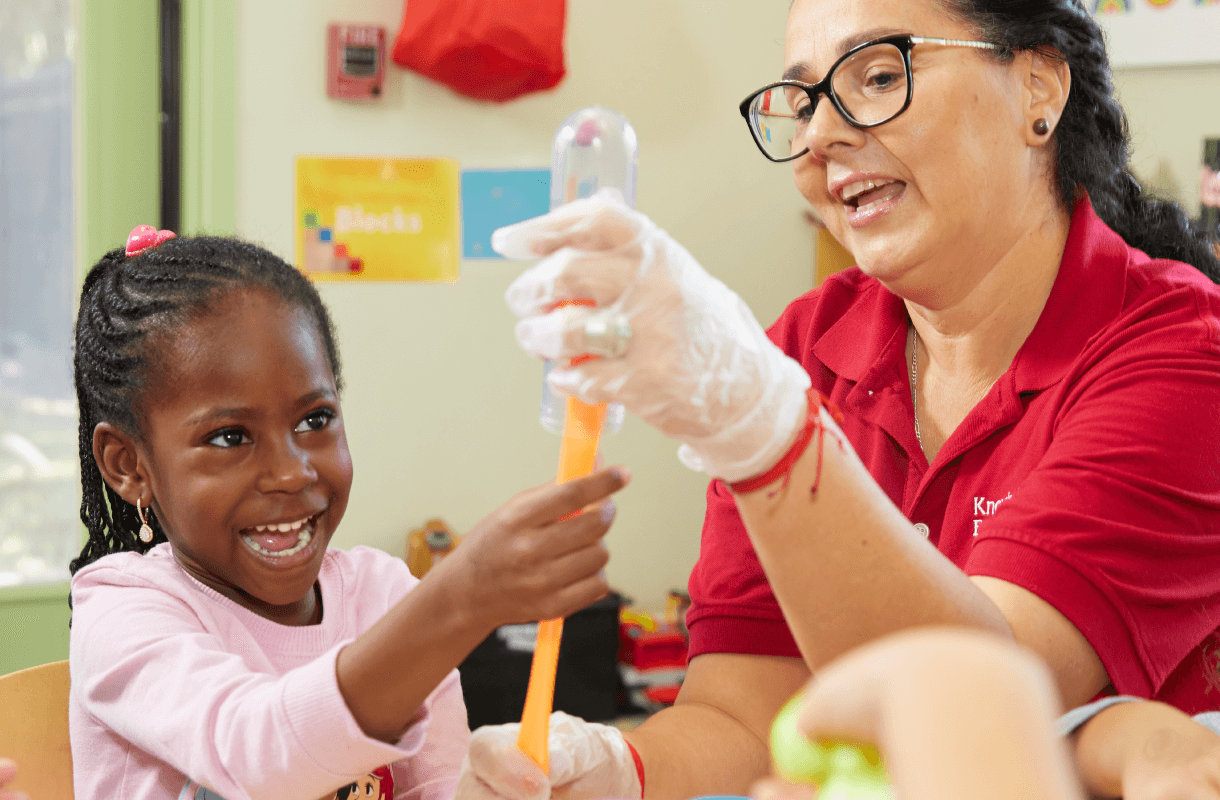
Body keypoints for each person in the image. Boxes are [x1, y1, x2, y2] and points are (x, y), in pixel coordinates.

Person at [454, 1, 1220, 799]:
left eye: (879, 75)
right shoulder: (803, 350)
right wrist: (617, 772)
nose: (818, 137)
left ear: (1039, 88)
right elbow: (748, 721)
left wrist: (772, 437)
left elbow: (972, 710)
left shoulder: (1184, 352)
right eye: (803, 102)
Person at [68, 228, 628, 800]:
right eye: (230, 436)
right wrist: (460, 597)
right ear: (128, 464)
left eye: (314, 420)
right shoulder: (121, 611)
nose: (291, 473)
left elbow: (437, 787)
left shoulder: (382, 595)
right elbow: (256, 755)